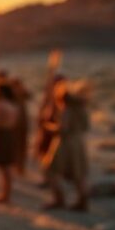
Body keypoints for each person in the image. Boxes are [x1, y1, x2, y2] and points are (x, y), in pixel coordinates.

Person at [42, 81, 90, 211]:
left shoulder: (67, 110)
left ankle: (59, 199)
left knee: (50, 170)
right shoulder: (82, 109)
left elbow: (62, 129)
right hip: (78, 142)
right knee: (78, 173)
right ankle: (83, 201)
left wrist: (48, 127)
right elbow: (86, 127)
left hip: (65, 143)